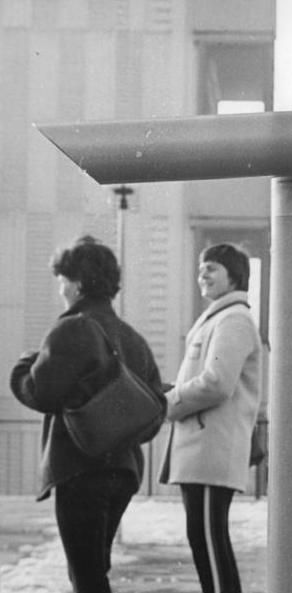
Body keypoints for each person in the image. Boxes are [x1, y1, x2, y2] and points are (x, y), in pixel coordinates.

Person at [9, 235, 165, 593]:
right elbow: (154, 408)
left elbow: (41, 392)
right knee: (95, 570)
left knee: (87, 577)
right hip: (123, 470)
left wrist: (22, 367)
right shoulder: (133, 338)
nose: (60, 288)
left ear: (77, 283)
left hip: (79, 470)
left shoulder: (71, 327)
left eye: (63, 279)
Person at [158, 243, 262, 593]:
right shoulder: (223, 317)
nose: (202, 274)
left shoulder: (233, 319)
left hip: (209, 448)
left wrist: (168, 402)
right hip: (204, 447)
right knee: (206, 539)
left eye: (212, 268)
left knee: (209, 539)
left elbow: (217, 383)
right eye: (201, 267)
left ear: (234, 276)